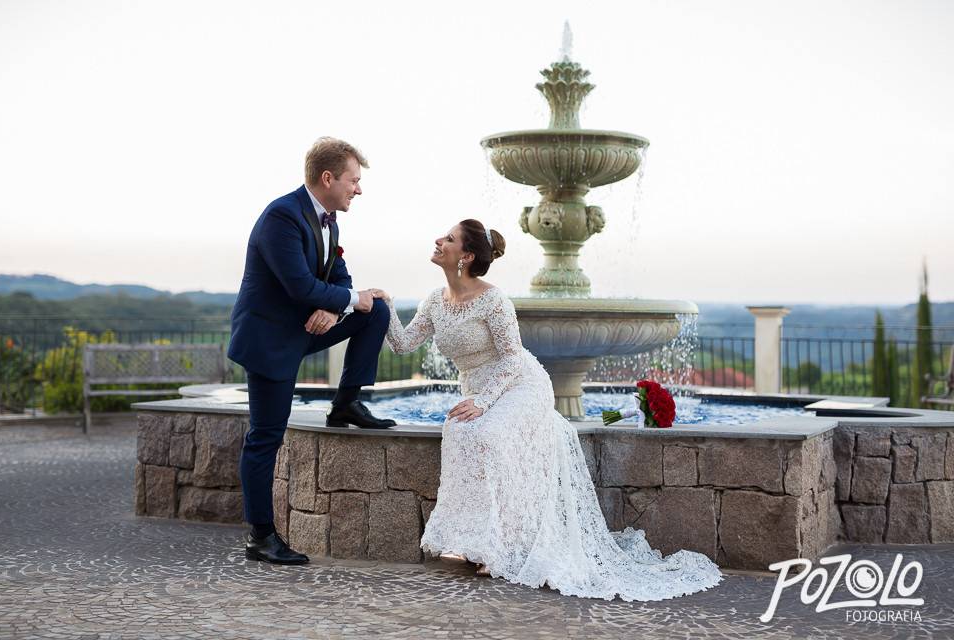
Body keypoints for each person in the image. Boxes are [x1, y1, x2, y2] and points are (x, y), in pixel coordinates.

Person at [378, 219, 723, 601]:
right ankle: (471, 539)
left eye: (449, 238)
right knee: (459, 431)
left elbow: (511, 360)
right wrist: (387, 306)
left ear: (467, 256)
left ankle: (504, 548)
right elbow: (403, 343)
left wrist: (483, 402)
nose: (439, 240)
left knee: (488, 435)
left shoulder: (494, 300)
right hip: (481, 389)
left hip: (521, 385)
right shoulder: (434, 300)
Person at [228, 137, 393, 565]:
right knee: (265, 437)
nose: (358, 189)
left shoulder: (329, 221)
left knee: (375, 310)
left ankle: (346, 403)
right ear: (328, 178)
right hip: (270, 340)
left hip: (305, 326)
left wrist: (337, 302)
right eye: (353, 180)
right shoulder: (282, 216)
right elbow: (299, 285)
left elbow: (339, 278)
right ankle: (260, 537)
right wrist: (340, 299)